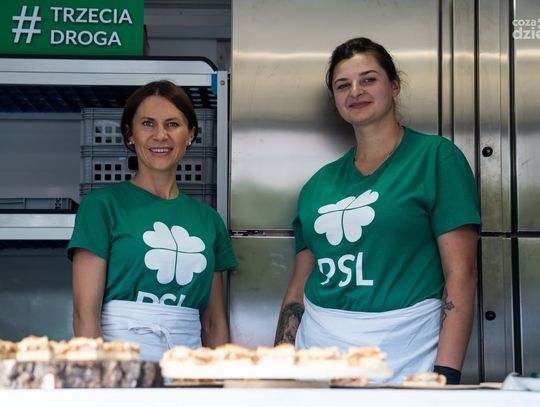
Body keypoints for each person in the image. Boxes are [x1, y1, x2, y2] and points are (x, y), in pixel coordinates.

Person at [274, 37, 480, 384]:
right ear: (334, 100)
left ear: (394, 85)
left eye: (368, 79)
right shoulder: (317, 185)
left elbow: (462, 274)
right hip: (316, 354)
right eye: (343, 85)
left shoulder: (436, 158)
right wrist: (279, 367)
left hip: (408, 354)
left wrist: (445, 376)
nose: (356, 91)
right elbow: (299, 287)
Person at [68, 80, 237, 361]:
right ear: (130, 134)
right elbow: (85, 316)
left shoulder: (209, 220)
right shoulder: (101, 207)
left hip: (187, 367)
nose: (160, 135)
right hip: (120, 364)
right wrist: (99, 378)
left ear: (190, 134)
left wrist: (223, 380)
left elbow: (213, 322)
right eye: (148, 124)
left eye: (173, 124)